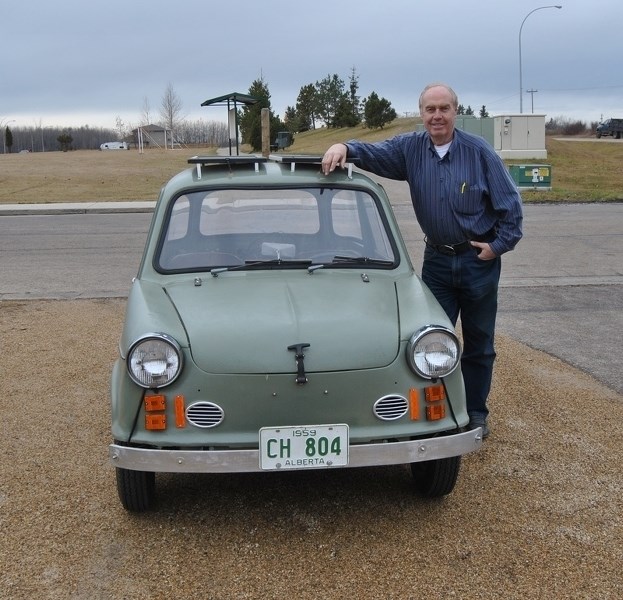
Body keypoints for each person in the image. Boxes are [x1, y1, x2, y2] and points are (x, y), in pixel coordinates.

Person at [321, 83, 523, 439]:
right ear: (421, 113)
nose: (437, 116)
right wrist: (344, 147)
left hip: (478, 261)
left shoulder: (479, 153)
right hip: (437, 263)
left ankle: (474, 413)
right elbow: (373, 153)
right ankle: (433, 413)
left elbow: (511, 208)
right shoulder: (411, 150)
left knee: (479, 344)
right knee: (426, 340)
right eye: (430, 109)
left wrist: (497, 247)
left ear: (455, 111)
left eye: (443, 108)